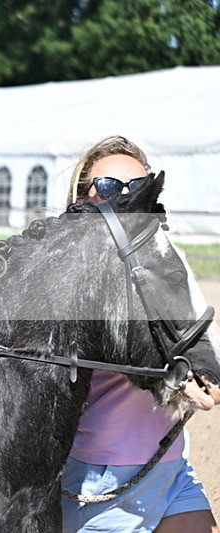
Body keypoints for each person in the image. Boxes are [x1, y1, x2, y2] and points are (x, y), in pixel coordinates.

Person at [61, 135, 219, 533]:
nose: (126, 196)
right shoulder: (66, 272)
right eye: (111, 186)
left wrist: (206, 372)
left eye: (139, 186)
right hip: (103, 479)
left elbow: (201, 339)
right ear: (85, 196)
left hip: (169, 465)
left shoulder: (166, 259)